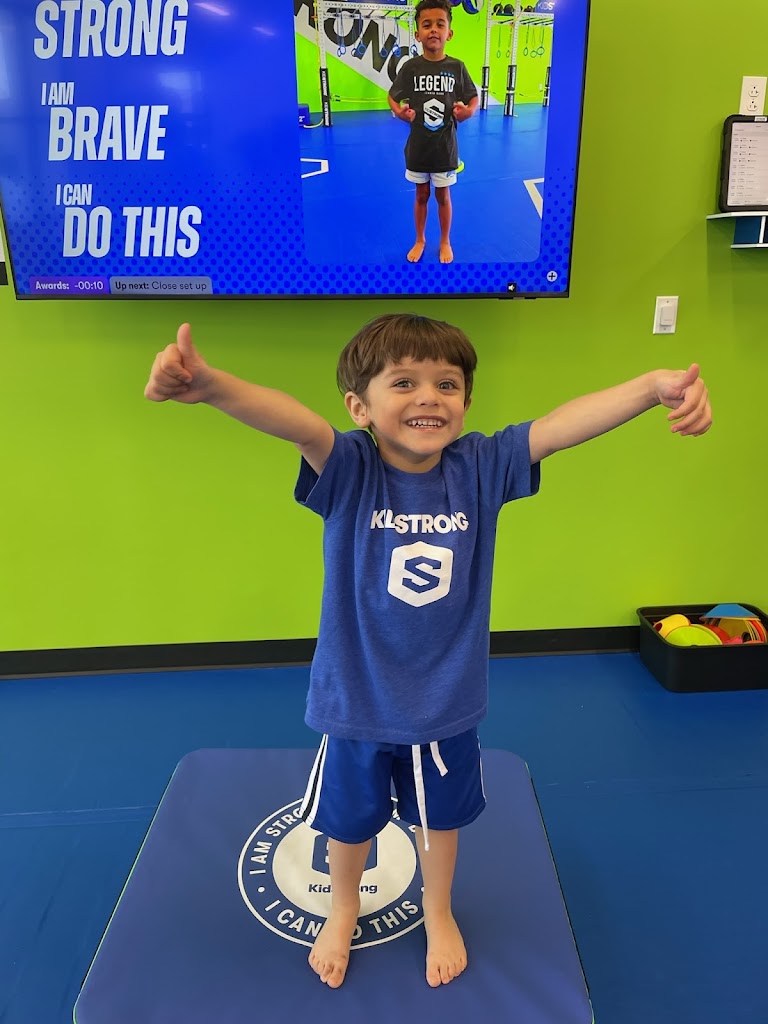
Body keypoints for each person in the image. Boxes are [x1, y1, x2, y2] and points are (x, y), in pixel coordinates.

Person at [144, 314, 712, 990]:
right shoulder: (351, 469)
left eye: (447, 384)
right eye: (404, 383)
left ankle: (437, 909)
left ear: (466, 401)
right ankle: (343, 907)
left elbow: (561, 427)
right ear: (359, 407)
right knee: (347, 825)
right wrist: (211, 387)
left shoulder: (480, 468)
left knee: (439, 821)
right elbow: (298, 424)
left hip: (444, 702)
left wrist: (650, 387)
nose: (429, 398)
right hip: (356, 699)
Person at [388, 1, 478, 264]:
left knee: (443, 196)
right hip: (418, 147)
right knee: (421, 195)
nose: (434, 30)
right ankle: (420, 239)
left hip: (445, 148)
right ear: (417, 34)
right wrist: (399, 112)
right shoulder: (411, 68)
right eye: (427, 25)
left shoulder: (457, 67)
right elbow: (392, 96)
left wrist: (469, 111)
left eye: (440, 24)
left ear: (449, 33)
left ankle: (445, 241)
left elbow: (473, 97)